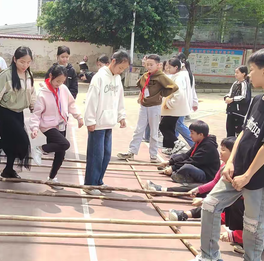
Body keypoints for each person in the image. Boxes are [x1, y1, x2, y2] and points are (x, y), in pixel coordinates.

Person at [186, 47, 264, 261]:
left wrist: (248, 176)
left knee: (253, 225)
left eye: (252, 70)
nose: (249, 75)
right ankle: (210, 256)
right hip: (235, 171)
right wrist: (230, 162)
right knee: (210, 205)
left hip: (256, 177)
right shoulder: (257, 99)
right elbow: (243, 133)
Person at [0, 46, 36, 179]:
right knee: (23, 142)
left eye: (28, 62)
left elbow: (32, 93)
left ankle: (8, 169)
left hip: (19, 113)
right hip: (6, 112)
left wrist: (33, 107)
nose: (25, 65)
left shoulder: (29, 75)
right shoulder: (6, 75)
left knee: (13, 143)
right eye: (22, 62)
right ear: (15, 59)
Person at [29, 65, 84, 189]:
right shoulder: (43, 93)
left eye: (62, 81)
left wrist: (79, 117)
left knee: (61, 154)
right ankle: (39, 149)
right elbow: (36, 113)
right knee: (65, 144)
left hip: (61, 123)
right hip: (48, 126)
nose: (59, 84)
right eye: (57, 81)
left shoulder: (63, 89)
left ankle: (52, 178)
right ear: (50, 77)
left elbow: (71, 104)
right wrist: (34, 128)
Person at [83, 50, 129, 195]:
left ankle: (98, 181)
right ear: (113, 61)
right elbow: (91, 100)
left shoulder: (116, 78)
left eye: (124, 70)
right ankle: (90, 184)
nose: (121, 71)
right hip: (97, 123)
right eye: (120, 68)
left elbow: (119, 98)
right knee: (96, 155)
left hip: (109, 122)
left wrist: (121, 116)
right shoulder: (99, 77)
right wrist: (90, 120)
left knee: (106, 154)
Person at [117, 54, 178, 163]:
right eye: (147, 64)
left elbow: (173, 87)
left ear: (158, 65)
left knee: (154, 131)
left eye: (151, 65)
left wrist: (161, 94)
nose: (149, 67)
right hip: (144, 105)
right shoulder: (145, 75)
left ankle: (153, 155)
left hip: (154, 107)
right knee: (139, 129)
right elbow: (141, 86)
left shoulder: (161, 76)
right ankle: (131, 151)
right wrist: (141, 95)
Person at [148, 136, 235, 199]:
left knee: (204, 198)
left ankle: (185, 214)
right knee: (195, 188)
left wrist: (174, 167)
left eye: (223, 150)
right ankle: (164, 188)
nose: (190, 135)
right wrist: (170, 162)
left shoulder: (208, 147)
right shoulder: (224, 164)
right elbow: (187, 155)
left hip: (209, 178)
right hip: (214, 187)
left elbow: (193, 161)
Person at [159, 58, 191, 154]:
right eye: (167, 67)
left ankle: (176, 142)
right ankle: (170, 146)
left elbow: (179, 93)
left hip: (174, 108)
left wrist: (170, 103)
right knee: (170, 126)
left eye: (170, 67)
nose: (167, 69)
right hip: (173, 108)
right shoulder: (177, 76)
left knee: (163, 126)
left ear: (176, 67)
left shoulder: (179, 78)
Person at [171, 53, 198, 154]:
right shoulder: (188, 74)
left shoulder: (183, 75)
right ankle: (174, 144)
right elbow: (193, 90)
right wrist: (194, 102)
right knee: (176, 124)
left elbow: (186, 91)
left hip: (181, 103)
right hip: (184, 103)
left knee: (178, 124)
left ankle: (194, 144)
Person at [224, 65, 251, 137]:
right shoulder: (235, 83)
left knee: (237, 132)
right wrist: (226, 97)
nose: (235, 74)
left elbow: (244, 97)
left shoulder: (244, 84)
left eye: (237, 72)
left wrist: (232, 99)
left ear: (243, 74)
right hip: (231, 111)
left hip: (239, 113)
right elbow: (230, 93)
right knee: (229, 130)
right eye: (235, 72)